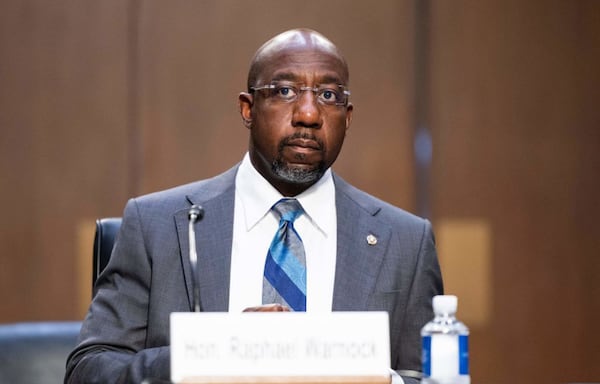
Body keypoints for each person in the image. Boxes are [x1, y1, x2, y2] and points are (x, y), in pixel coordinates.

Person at [65, 28, 443, 384]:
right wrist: (216, 352)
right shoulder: (157, 226)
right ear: (248, 109)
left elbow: (430, 377)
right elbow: (89, 369)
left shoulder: (405, 242)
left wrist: (370, 376)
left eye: (328, 96)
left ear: (347, 117)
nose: (308, 115)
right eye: (284, 91)